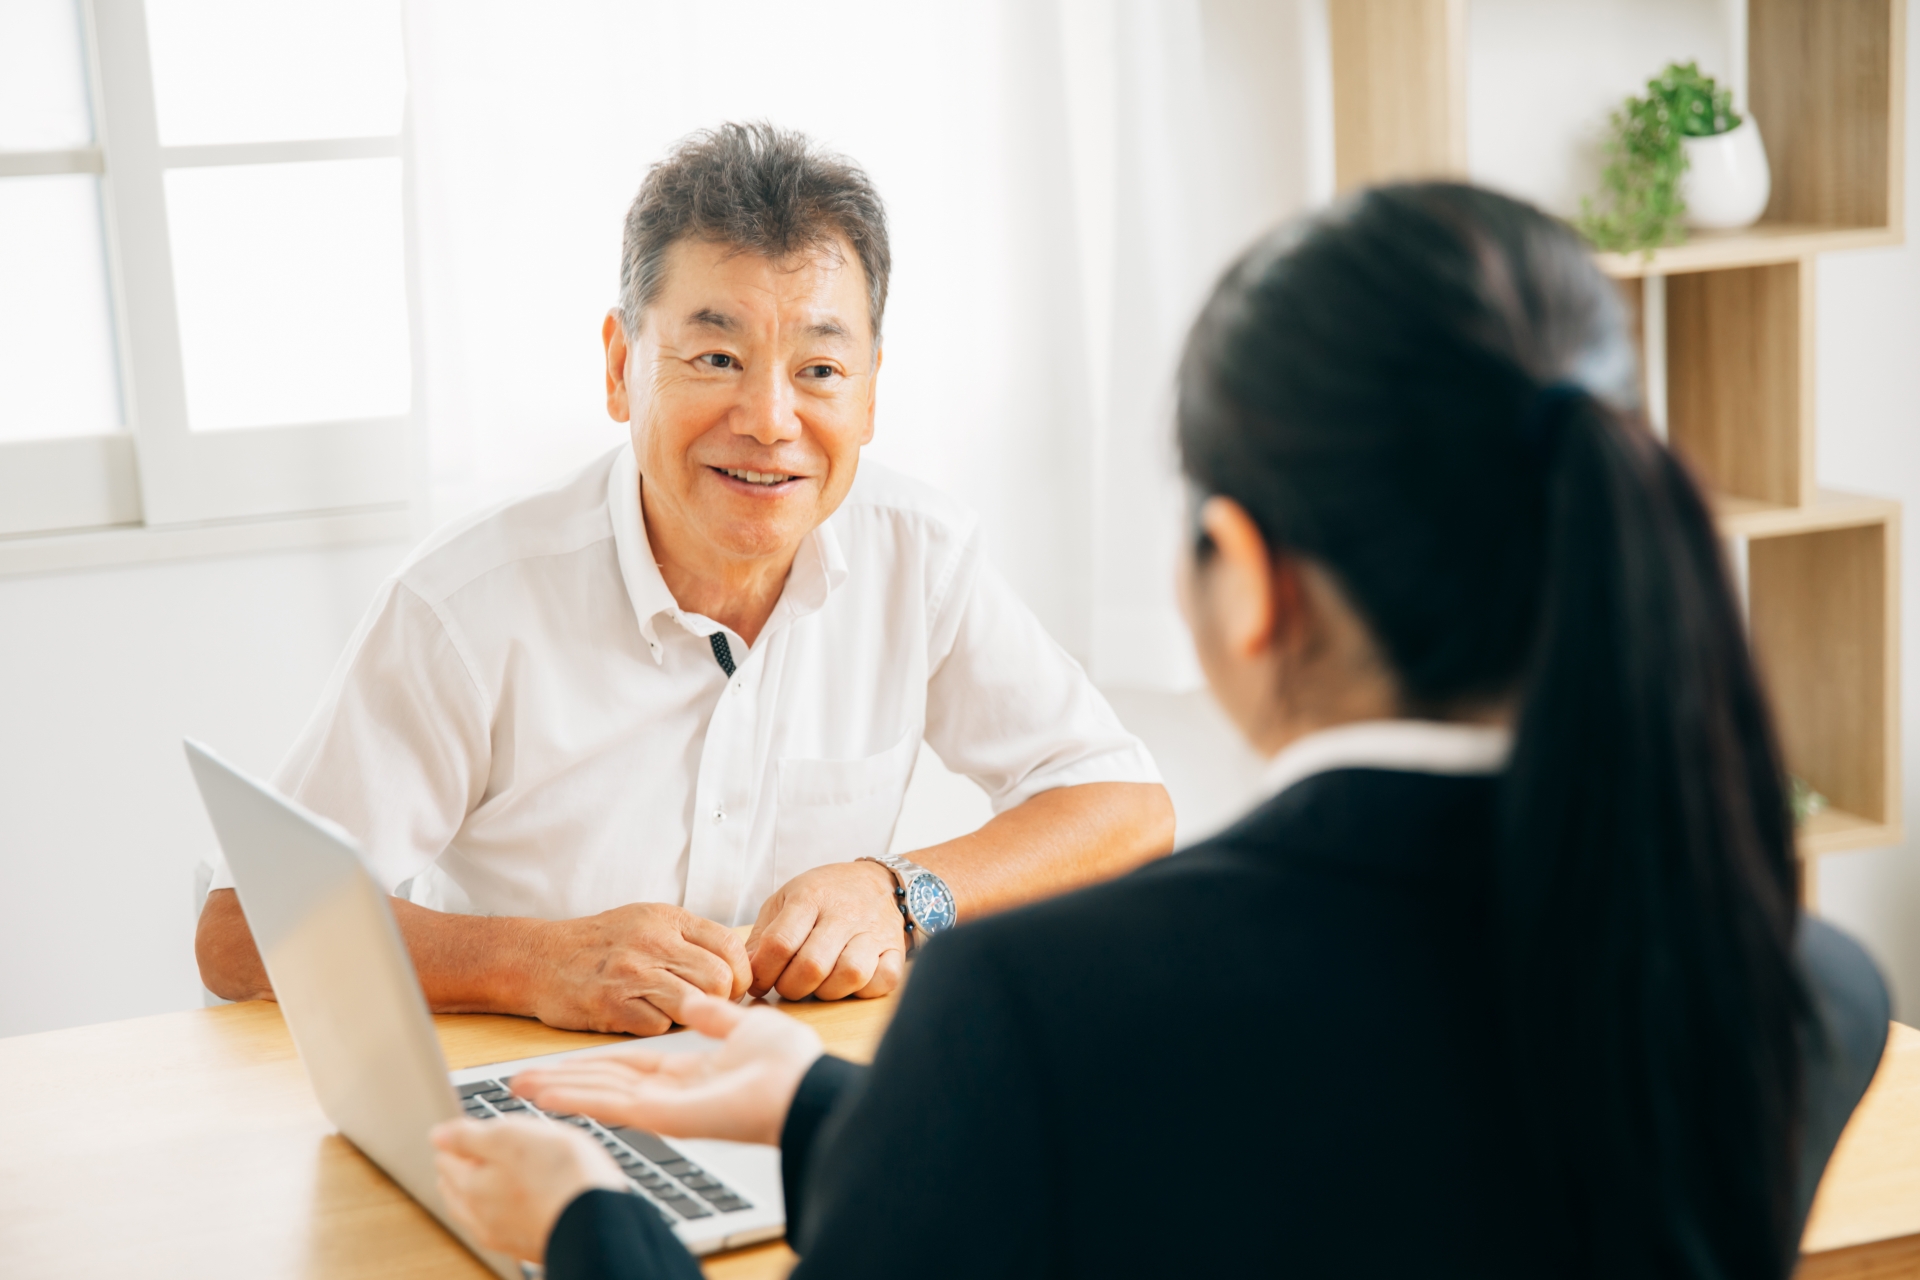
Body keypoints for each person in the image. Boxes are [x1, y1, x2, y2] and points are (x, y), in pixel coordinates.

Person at [426, 183, 1891, 1277]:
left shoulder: (1034, 1010)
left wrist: (588, 1229)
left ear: (1246, 582)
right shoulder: (1802, 992)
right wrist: (829, 1109)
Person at [194, 122, 1174, 1032]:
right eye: (715, 356)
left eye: (821, 370)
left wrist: (902, 889)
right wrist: (525, 960)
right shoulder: (464, 607)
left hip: (795, 1095)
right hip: (531, 1103)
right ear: (622, 367)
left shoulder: (919, 554)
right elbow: (239, 933)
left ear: (872, 390)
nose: (770, 419)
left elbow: (1125, 804)